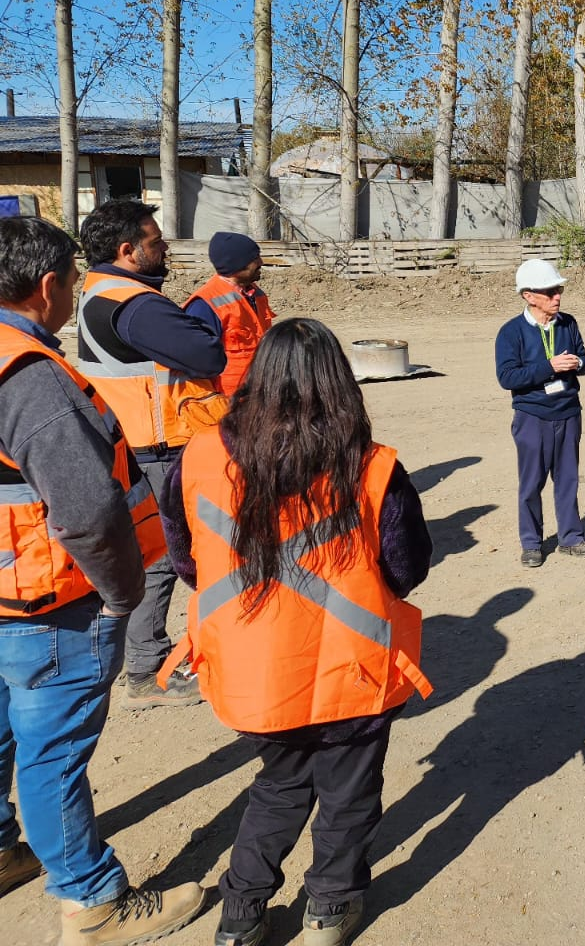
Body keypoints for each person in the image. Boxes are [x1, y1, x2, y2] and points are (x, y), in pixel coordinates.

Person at [156, 318, 433, 946]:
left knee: (279, 787)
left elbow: (185, 560)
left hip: (255, 672)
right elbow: (407, 567)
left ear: (254, 380)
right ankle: (329, 912)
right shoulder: (374, 468)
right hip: (353, 672)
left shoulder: (199, 457)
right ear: (341, 387)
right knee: (349, 793)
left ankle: (241, 917)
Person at [0, 217, 204, 945]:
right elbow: (87, 511)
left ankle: (0, 848)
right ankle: (93, 904)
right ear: (48, 286)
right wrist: (120, 592)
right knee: (52, 749)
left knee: (2, 731)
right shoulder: (29, 377)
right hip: (45, 600)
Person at [77, 199, 225, 709]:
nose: (165, 248)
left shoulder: (101, 290)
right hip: (163, 446)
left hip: (140, 441)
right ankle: (153, 665)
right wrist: (201, 330)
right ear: (127, 250)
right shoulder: (136, 304)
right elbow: (209, 353)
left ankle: (147, 662)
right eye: (156, 241)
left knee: (158, 555)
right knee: (178, 556)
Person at [495, 257, 585, 567]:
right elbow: (507, 377)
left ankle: (571, 539)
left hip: (568, 412)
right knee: (531, 483)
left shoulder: (568, 323)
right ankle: (531, 543)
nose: (557, 297)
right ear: (529, 295)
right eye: (550, 291)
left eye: (558, 290)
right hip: (532, 417)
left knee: (568, 479)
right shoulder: (511, 332)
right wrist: (549, 367)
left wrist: (578, 364)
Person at [184, 232, 276, 396]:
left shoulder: (256, 295)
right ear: (237, 265)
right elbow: (195, 363)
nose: (261, 262)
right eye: (254, 258)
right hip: (227, 403)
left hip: (258, 395)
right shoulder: (204, 305)